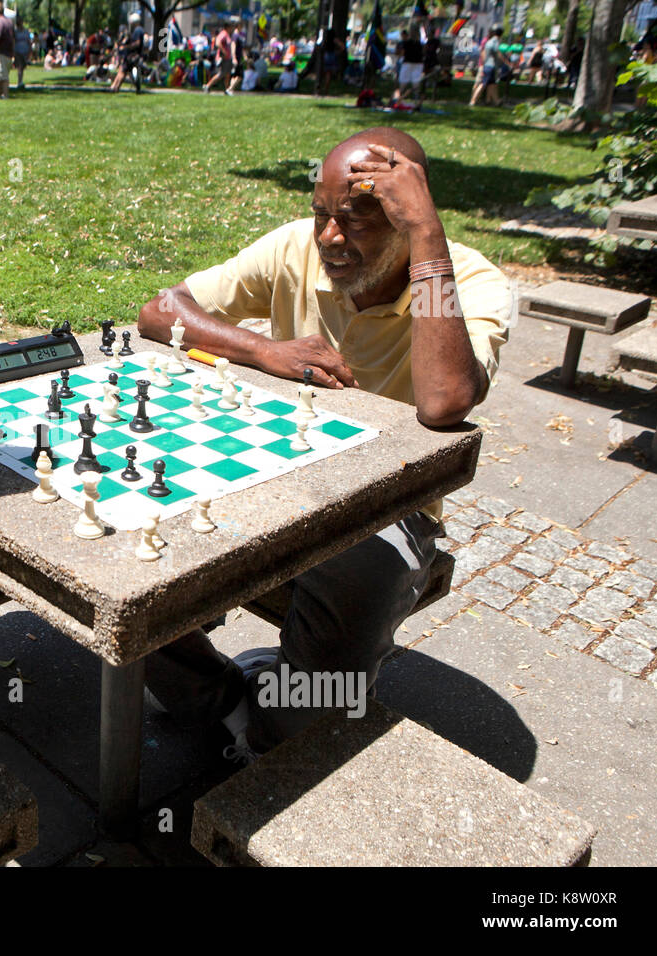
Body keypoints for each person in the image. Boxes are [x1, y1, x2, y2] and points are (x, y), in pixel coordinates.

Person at [135, 128, 510, 761]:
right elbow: (158, 311)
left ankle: (272, 737)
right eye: (321, 217)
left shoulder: (470, 282)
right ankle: (220, 699)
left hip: (389, 506)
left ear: (408, 218)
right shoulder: (294, 248)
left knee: (320, 681)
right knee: (132, 534)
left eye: (357, 222)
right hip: (270, 467)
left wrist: (426, 239)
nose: (330, 239)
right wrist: (265, 349)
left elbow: (445, 401)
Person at [469, 26, 507, 106]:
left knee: (492, 85)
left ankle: (496, 101)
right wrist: (507, 63)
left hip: (487, 65)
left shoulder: (489, 41)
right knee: (483, 84)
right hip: (490, 66)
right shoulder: (495, 41)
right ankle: (473, 101)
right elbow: (498, 53)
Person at [109, 11, 145, 93]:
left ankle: (115, 87)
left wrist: (126, 47)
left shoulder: (138, 30)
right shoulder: (139, 30)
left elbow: (137, 43)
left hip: (132, 55)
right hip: (133, 55)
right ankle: (114, 86)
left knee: (122, 71)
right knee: (122, 70)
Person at [204, 21, 234, 94]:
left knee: (227, 74)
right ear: (228, 27)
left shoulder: (227, 34)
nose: (232, 28)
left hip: (228, 58)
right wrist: (224, 51)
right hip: (224, 58)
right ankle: (208, 86)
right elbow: (218, 42)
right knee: (222, 73)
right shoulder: (223, 34)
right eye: (231, 27)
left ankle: (227, 90)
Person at [396, 27, 423, 101]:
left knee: (403, 81)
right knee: (416, 82)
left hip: (408, 63)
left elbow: (402, 53)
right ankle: (416, 97)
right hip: (418, 64)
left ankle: (400, 96)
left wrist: (399, 57)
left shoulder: (406, 43)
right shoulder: (419, 44)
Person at [13, 14, 31, 89]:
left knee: (22, 67)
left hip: (25, 51)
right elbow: (13, 41)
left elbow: (29, 42)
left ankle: (20, 81)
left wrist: (30, 51)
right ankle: (19, 82)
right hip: (17, 51)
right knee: (19, 67)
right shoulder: (15, 31)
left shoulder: (26, 31)